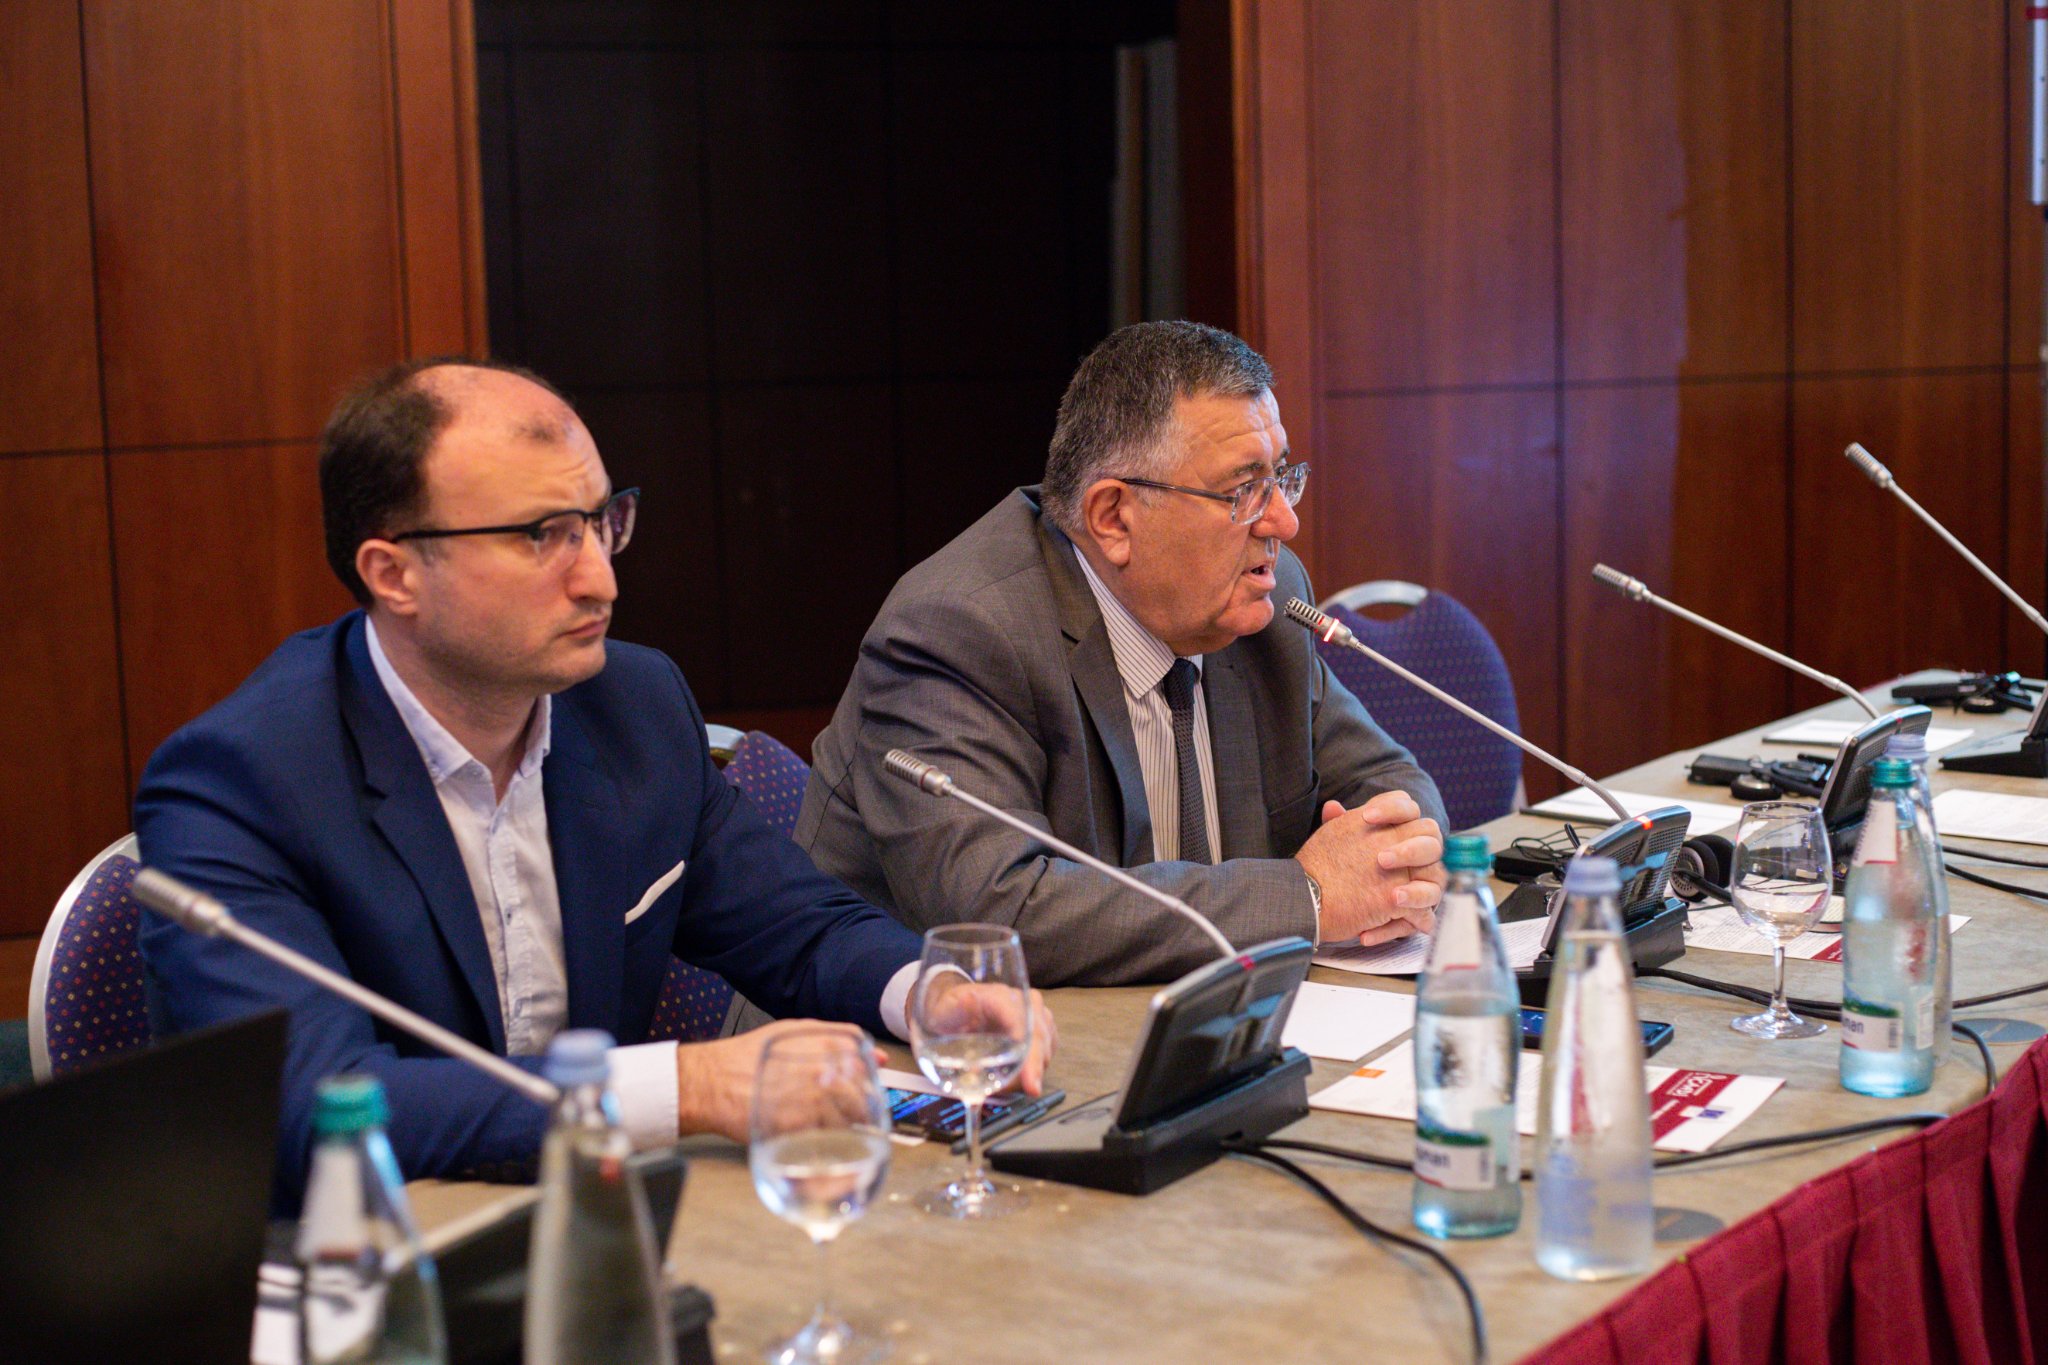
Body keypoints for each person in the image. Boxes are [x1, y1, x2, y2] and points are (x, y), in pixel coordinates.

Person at [136, 358, 1051, 1210]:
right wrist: (686, 1087)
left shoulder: (632, 706)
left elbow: (797, 925)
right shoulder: (242, 782)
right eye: (543, 536)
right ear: (395, 573)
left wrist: (927, 992)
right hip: (376, 1255)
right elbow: (317, 1108)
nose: (599, 579)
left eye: (601, 522)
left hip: (605, 1216)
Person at [798, 321, 1450, 985]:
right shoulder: (960, 631)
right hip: (897, 1038)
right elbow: (1000, 914)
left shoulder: (1265, 598)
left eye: (1282, 476)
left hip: (1200, 1019)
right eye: (1244, 490)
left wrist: (1395, 861)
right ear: (1113, 518)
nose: (1284, 521)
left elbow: (1389, 782)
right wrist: (1305, 898)